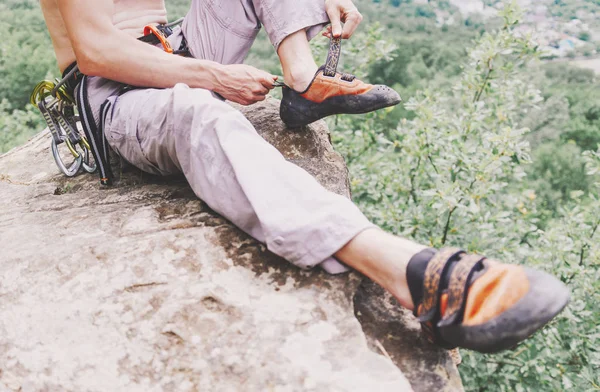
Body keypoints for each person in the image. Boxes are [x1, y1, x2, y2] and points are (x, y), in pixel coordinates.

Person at [40, 0, 569, 354]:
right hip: (117, 95)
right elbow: (97, 52)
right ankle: (407, 271)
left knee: (197, 98)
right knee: (197, 112)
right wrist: (213, 77)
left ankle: (303, 81)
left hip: (171, 47)